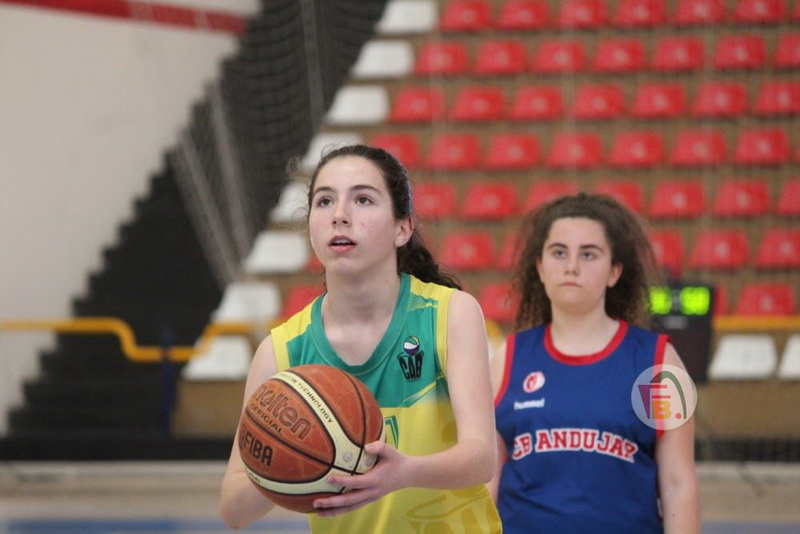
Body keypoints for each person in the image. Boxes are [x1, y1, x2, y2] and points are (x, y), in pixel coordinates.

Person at [220, 144, 501, 533]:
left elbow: (481, 458)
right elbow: (233, 510)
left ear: (402, 228)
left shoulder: (450, 314)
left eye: (363, 199)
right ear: (311, 229)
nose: (339, 215)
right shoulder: (282, 351)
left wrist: (405, 472)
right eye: (324, 201)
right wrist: (286, 461)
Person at [489, 193, 700, 533]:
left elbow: (679, 484)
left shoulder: (658, 361)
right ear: (540, 268)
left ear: (614, 271)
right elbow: (485, 480)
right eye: (559, 252)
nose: (571, 266)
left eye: (588, 254)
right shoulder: (507, 358)